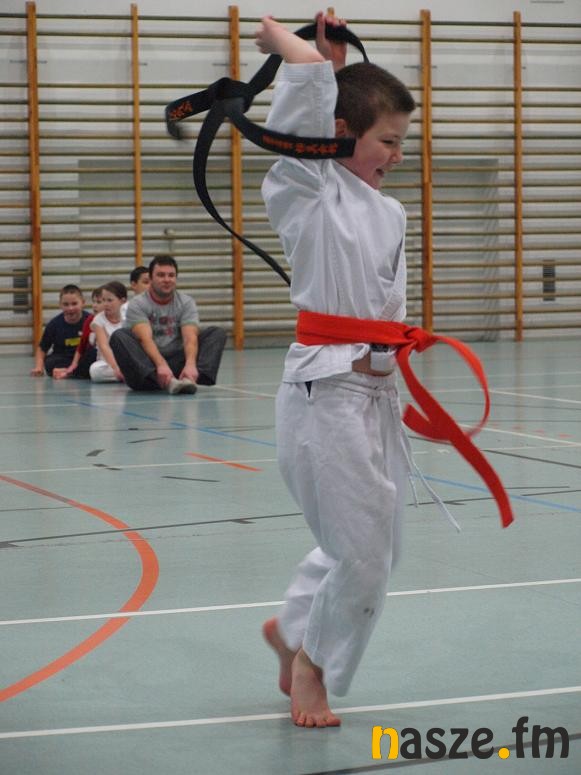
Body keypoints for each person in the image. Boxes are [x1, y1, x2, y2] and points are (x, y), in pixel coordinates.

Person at [255, 13, 416, 728]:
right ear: (341, 134)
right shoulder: (306, 192)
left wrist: (336, 69)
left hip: (376, 390)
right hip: (325, 389)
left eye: (402, 142)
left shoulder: (387, 211)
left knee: (376, 541)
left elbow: (332, 110)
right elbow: (305, 129)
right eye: (388, 141)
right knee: (363, 551)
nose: (397, 155)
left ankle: (293, 628)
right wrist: (293, 51)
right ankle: (310, 663)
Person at [109, 254, 226, 394]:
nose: (167, 280)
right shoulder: (138, 304)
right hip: (148, 369)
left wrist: (190, 365)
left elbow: (190, 338)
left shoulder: (186, 302)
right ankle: (165, 381)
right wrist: (161, 365)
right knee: (119, 336)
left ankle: (189, 378)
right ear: (151, 279)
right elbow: (145, 339)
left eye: (171, 275)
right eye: (161, 275)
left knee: (216, 333)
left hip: (176, 364)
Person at [30, 284, 90, 377]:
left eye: (74, 304)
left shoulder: (91, 321)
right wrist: (39, 367)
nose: (70, 308)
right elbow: (42, 348)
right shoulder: (54, 324)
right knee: (49, 362)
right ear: (60, 305)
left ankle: (68, 372)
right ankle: (75, 372)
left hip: (82, 358)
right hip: (63, 359)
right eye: (66, 304)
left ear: (83, 303)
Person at [52, 286, 103, 380]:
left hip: (110, 359)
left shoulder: (119, 319)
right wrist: (73, 365)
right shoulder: (90, 321)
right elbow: (81, 347)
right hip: (95, 358)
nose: (95, 305)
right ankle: (72, 372)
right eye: (94, 302)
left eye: (99, 302)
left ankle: (71, 372)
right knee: (92, 355)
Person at [89, 281, 127, 382]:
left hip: (127, 360)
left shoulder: (128, 317)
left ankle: (127, 375)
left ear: (122, 301)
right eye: (103, 300)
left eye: (110, 300)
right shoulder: (98, 320)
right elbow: (104, 346)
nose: (106, 304)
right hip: (108, 363)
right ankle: (127, 376)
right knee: (94, 370)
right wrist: (116, 368)